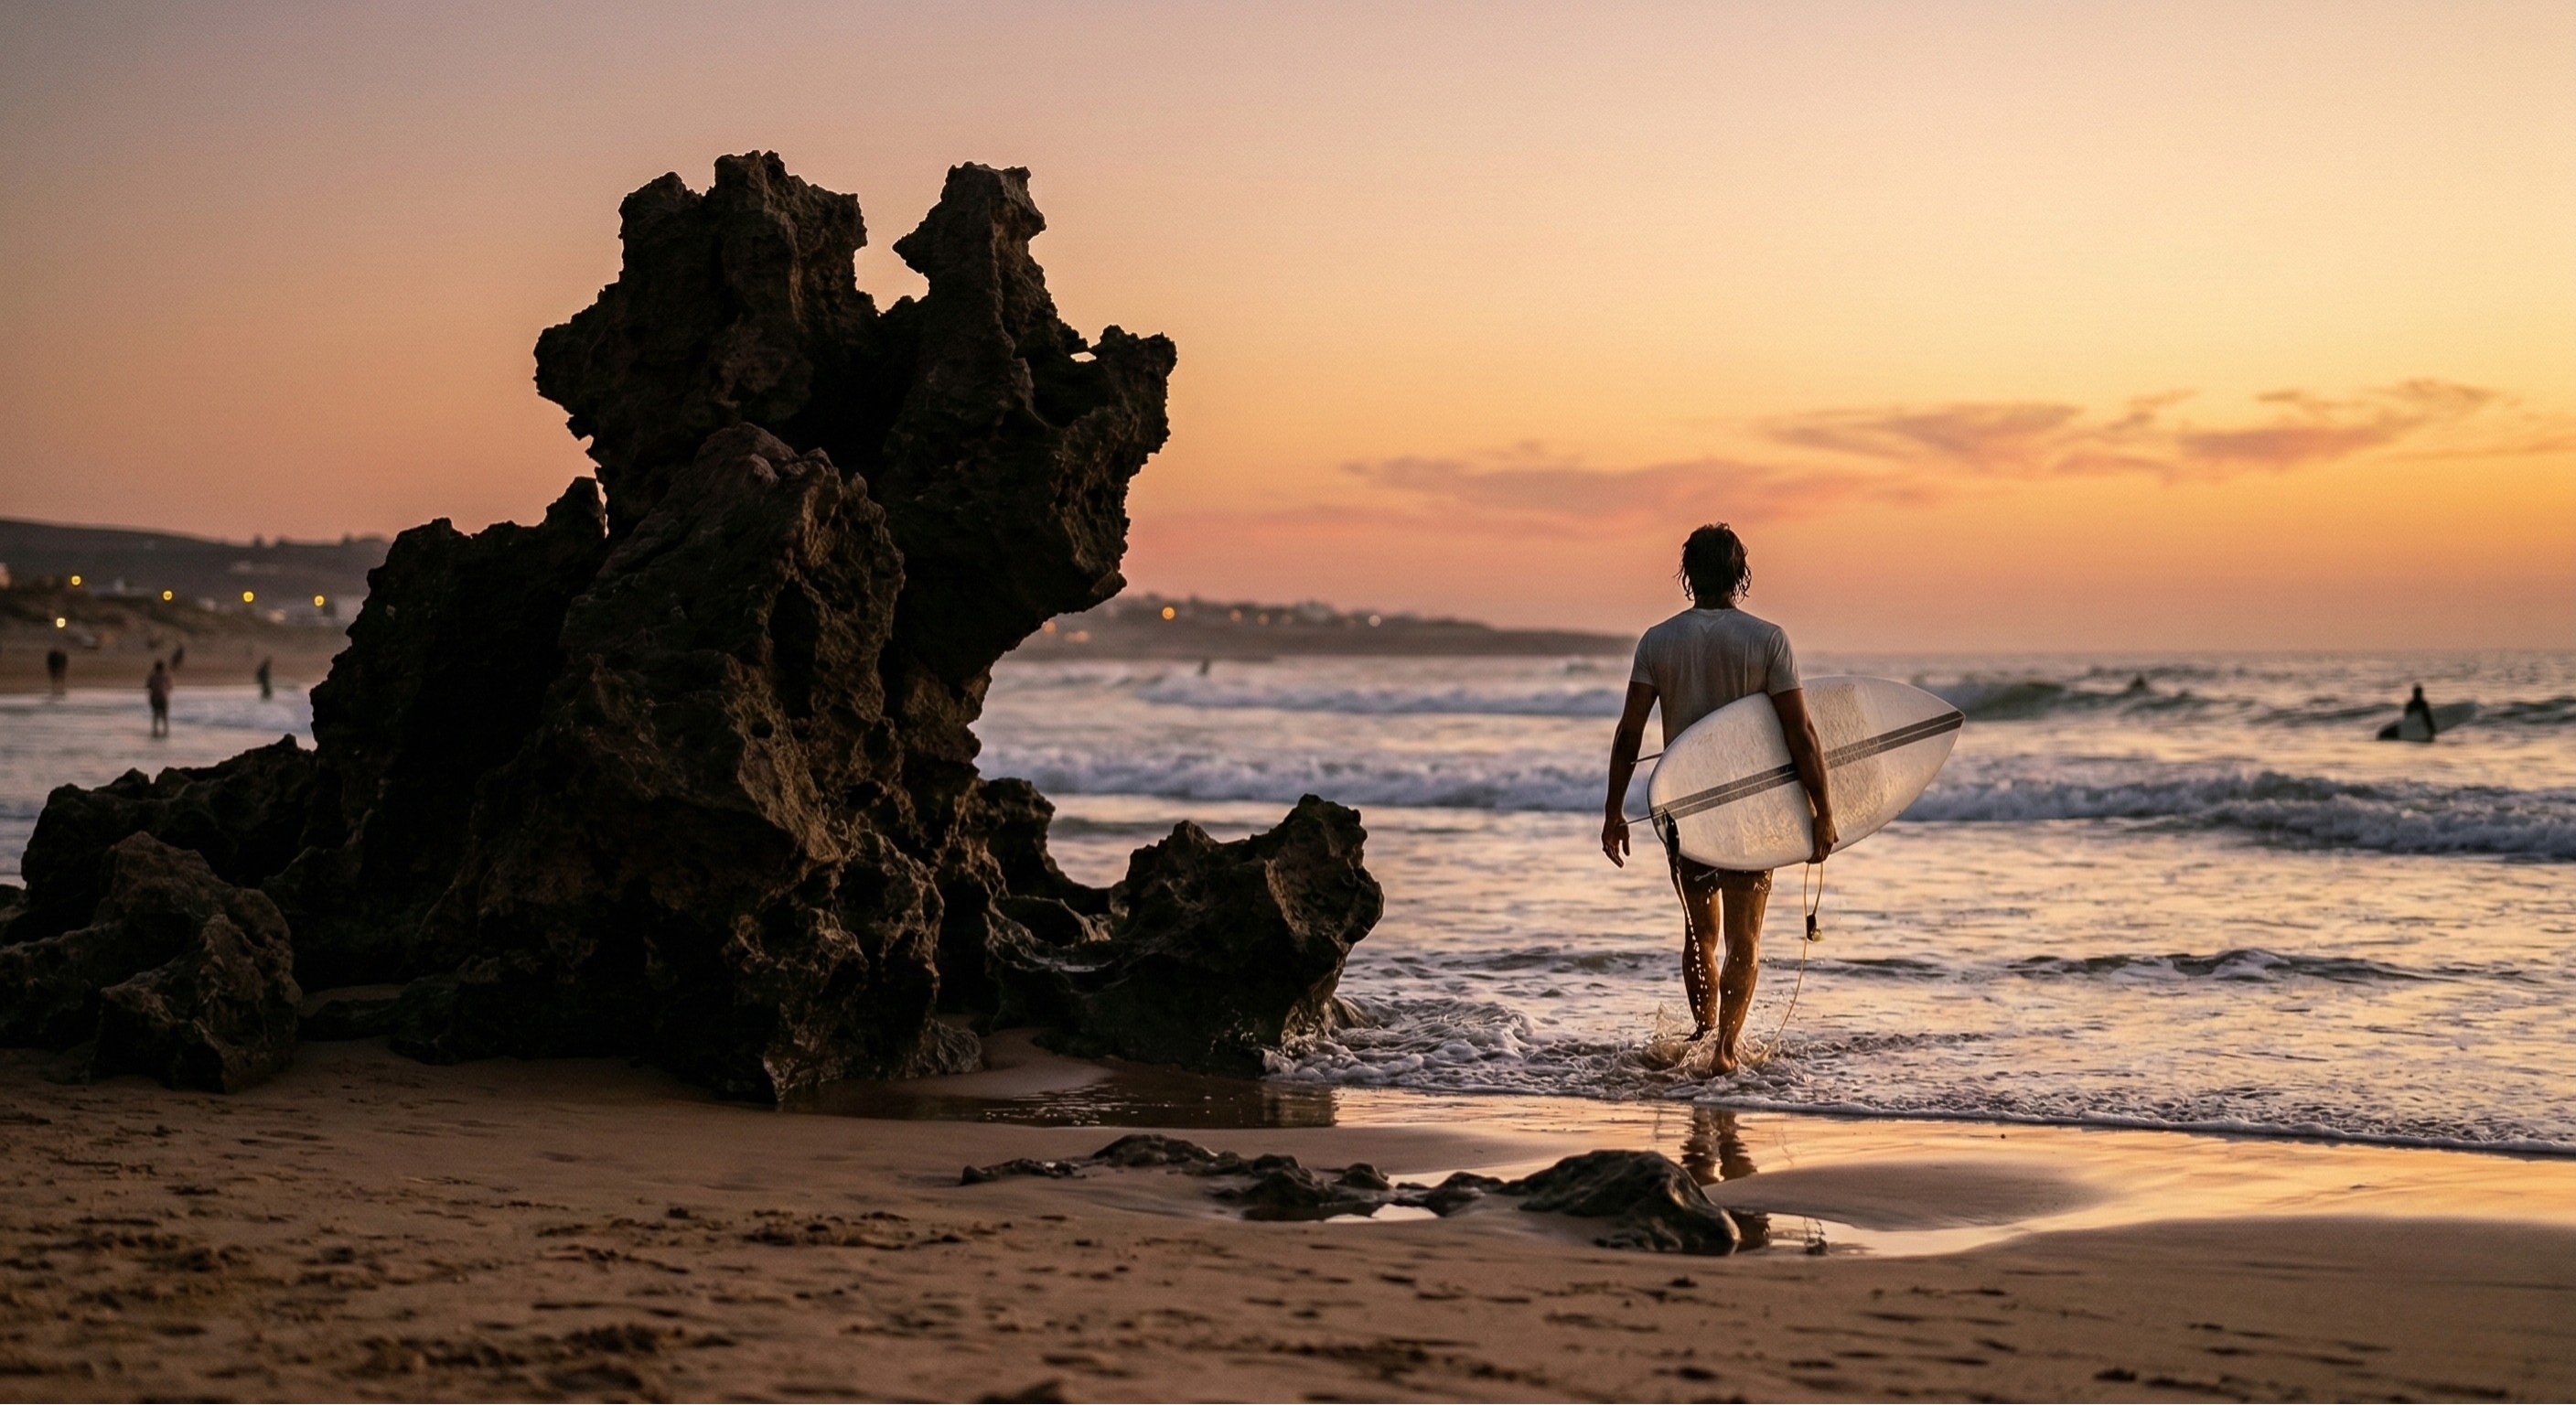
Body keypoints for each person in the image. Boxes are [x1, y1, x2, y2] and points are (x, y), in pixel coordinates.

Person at [1603, 523, 1836, 1072]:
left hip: (1685, 810)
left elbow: (1629, 734)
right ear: (1740, 573)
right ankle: (1727, 1049)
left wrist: (1615, 811)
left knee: (1698, 933)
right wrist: (1823, 810)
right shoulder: (1767, 639)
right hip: (1752, 814)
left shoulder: (1657, 641)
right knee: (1743, 938)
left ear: (1688, 574)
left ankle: (1705, 1036)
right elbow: (1800, 732)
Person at [146, 659, 172, 738]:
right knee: (164, 716)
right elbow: (170, 687)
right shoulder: (166, 676)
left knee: (156, 715)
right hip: (163, 698)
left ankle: (155, 731)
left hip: (154, 698)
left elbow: (148, 686)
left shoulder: (152, 676)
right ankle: (166, 731)